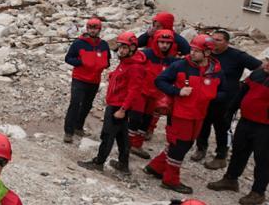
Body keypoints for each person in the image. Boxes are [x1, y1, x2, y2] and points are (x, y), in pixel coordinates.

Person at [145, 35, 223, 193]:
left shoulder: (216, 71)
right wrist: (177, 91)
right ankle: (170, 180)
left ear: (207, 53)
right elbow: (160, 81)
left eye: (197, 51)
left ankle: (156, 167)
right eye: (192, 49)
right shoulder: (180, 66)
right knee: (179, 145)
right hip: (179, 114)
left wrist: (212, 95)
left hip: (199, 115)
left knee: (185, 144)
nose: (192, 53)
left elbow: (224, 91)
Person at [190, 29, 261, 169]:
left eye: (218, 40)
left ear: (227, 42)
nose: (214, 42)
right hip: (207, 96)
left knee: (223, 128)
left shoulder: (237, 55)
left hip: (227, 100)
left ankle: (221, 156)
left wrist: (246, 82)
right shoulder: (206, 53)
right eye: (213, 39)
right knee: (203, 123)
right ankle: (201, 148)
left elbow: (259, 67)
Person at [78, 32, 146, 174]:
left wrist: (123, 109)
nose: (121, 50)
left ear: (132, 48)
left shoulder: (134, 67)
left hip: (118, 106)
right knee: (122, 137)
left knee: (108, 134)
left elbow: (134, 90)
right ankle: (123, 164)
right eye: (120, 47)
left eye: (125, 48)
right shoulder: (126, 62)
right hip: (118, 104)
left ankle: (99, 162)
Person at [207, 56, 269, 205]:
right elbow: (242, 92)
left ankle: (258, 192)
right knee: (239, 151)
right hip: (246, 121)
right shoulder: (257, 74)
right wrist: (231, 110)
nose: (267, 64)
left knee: (263, 159)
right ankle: (230, 179)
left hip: (266, 127)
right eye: (268, 60)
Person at [130, 29, 178, 158]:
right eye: (162, 42)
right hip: (141, 93)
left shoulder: (172, 62)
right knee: (135, 119)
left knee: (146, 121)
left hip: (156, 95)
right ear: (156, 42)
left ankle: (136, 145)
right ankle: (125, 143)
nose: (164, 45)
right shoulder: (145, 55)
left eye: (168, 43)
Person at [63, 18, 110, 143]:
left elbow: (108, 61)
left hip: (94, 80)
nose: (93, 30)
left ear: (99, 30)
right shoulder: (79, 43)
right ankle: (68, 131)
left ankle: (78, 126)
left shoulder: (103, 45)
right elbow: (68, 58)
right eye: (90, 28)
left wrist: (102, 64)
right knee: (75, 104)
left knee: (87, 105)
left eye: (95, 28)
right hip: (79, 79)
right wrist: (81, 62)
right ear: (87, 29)